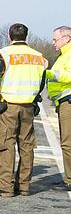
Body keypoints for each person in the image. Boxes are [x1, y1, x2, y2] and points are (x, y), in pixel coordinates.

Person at [0, 23, 47, 197]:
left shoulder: (5, 54)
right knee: (27, 146)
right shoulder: (38, 56)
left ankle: (5, 186)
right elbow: (41, 81)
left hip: (8, 105)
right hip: (28, 105)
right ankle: (24, 185)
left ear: (9, 36)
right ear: (26, 36)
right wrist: (34, 97)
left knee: (7, 144)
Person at [47, 25, 71, 191]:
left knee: (67, 143)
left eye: (56, 39)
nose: (53, 42)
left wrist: (46, 72)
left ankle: (69, 179)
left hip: (68, 102)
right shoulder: (63, 56)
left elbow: (67, 76)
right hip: (62, 102)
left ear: (66, 38)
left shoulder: (68, 56)